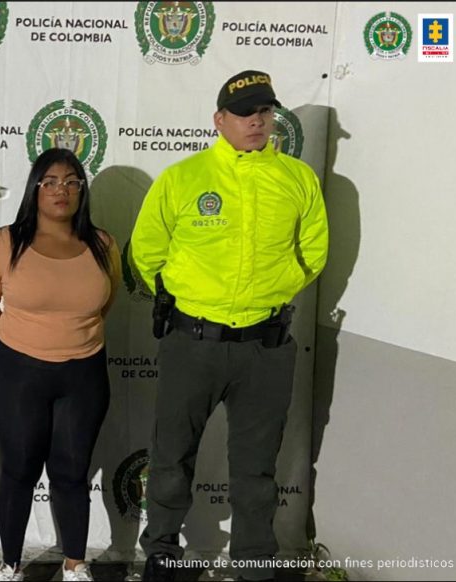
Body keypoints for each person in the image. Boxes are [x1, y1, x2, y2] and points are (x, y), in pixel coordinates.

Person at [130, 70, 329, 582]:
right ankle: (161, 554)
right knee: (172, 458)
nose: (257, 121)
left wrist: (271, 292)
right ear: (219, 120)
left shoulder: (297, 179)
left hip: (265, 346)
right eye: (245, 113)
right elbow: (147, 251)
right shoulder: (184, 178)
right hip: (191, 341)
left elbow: (314, 254)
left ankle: (254, 564)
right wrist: (190, 302)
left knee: (257, 468)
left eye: (265, 111)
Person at [0, 148, 121, 582]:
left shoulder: (102, 243)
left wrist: (69, 339)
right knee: (19, 469)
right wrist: (17, 348)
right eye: (51, 181)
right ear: (35, 188)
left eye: (72, 182)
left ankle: (75, 563)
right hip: (19, 374)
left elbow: (104, 302)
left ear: (81, 190)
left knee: (72, 473)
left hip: (84, 374)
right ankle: (11, 565)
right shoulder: (6, 242)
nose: (62, 190)